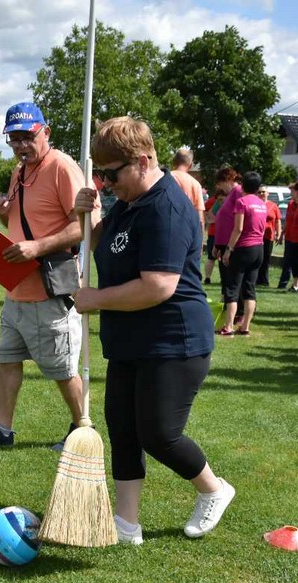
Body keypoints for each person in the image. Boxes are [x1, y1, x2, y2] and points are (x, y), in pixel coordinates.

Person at [72, 116, 234, 544]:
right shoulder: (129, 201)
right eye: (101, 174)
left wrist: (95, 299)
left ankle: (214, 490)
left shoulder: (166, 207)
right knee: (123, 427)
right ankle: (127, 524)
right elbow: (105, 244)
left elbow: (159, 285)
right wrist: (88, 214)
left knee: (159, 434)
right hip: (131, 337)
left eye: (112, 174)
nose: (106, 183)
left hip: (174, 340)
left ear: (143, 162)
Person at [0, 102, 93, 451]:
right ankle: (2, 430)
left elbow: (86, 226)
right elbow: (18, 224)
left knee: (63, 369)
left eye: (28, 137)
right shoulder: (19, 172)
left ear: (45, 132)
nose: (21, 145)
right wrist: (3, 214)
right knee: (7, 360)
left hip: (50, 290)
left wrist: (37, 247)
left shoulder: (62, 167)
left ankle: (82, 429)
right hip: (16, 287)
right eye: (14, 138)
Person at [218, 171, 268, 336]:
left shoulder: (241, 202)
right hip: (259, 248)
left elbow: (238, 229)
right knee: (249, 288)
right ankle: (245, 326)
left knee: (232, 288)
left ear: (243, 185)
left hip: (243, 248)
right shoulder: (262, 204)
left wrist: (229, 249)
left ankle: (228, 327)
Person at [212, 168, 245, 324]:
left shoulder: (237, 192)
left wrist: (228, 247)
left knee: (233, 279)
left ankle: (239, 311)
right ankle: (230, 307)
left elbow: (238, 219)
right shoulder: (231, 194)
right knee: (226, 278)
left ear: (227, 180)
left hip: (231, 243)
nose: (220, 187)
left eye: (220, 183)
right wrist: (217, 244)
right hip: (223, 242)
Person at [170, 147, 205, 230]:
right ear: (191, 165)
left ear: (174, 162)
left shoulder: (163, 178)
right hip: (185, 230)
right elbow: (200, 218)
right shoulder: (195, 184)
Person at [258, 186, 281, 288]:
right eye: (259, 192)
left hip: (268, 235)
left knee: (266, 258)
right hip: (257, 235)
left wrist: (278, 233)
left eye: (263, 192)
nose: (261, 194)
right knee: (257, 258)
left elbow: (278, 220)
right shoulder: (256, 204)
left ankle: (264, 280)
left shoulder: (273, 206)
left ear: (268, 193)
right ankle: (255, 279)